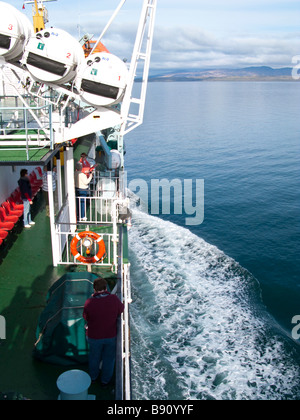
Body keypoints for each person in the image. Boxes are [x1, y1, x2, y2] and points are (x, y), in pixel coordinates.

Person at [83, 278, 124, 384]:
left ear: (94, 289)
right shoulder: (114, 299)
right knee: (109, 359)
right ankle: (105, 381)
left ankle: (93, 377)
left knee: (94, 357)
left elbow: (86, 317)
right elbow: (121, 309)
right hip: (110, 336)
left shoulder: (89, 302)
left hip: (94, 337)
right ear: (106, 288)